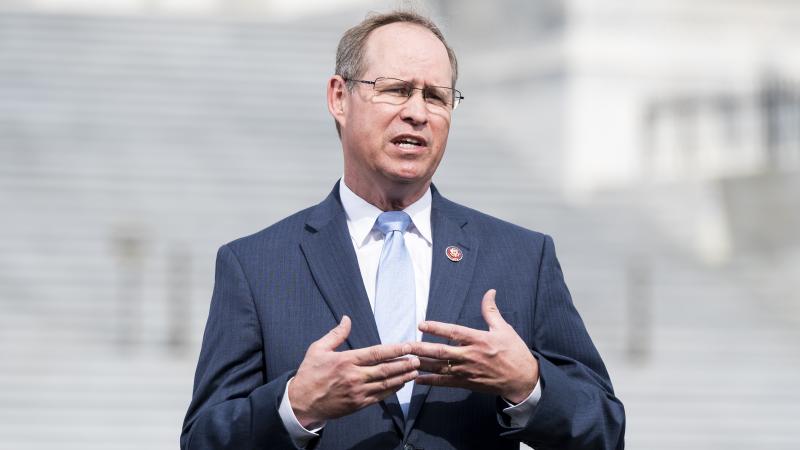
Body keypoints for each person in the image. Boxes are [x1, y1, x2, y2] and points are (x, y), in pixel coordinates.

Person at [181, 10, 625, 450]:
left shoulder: (522, 258)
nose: (417, 113)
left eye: (435, 96)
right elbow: (203, 440)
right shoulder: (257, 265)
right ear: (339, 97)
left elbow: (603, 429)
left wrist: (528, 384)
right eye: (395, 90)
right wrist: (296, 406)